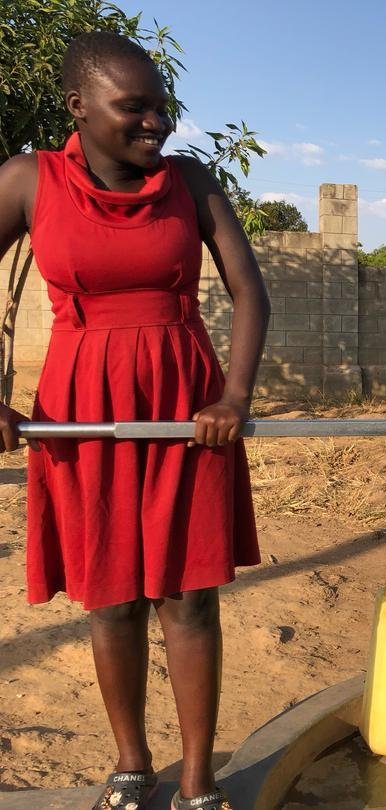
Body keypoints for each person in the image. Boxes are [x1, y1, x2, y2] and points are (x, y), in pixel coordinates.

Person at [0, 32, 269, 810]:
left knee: (189, 596)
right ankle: (130, 766)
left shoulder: (191, 182)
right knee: (111, 595)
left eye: (163, 106)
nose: (158, 122)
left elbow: (249, 290)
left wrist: (235, 398)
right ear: (78, 106)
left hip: (188, 408)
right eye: (135, 107)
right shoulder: (27, 180)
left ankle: (198, 781)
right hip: (82, 409)